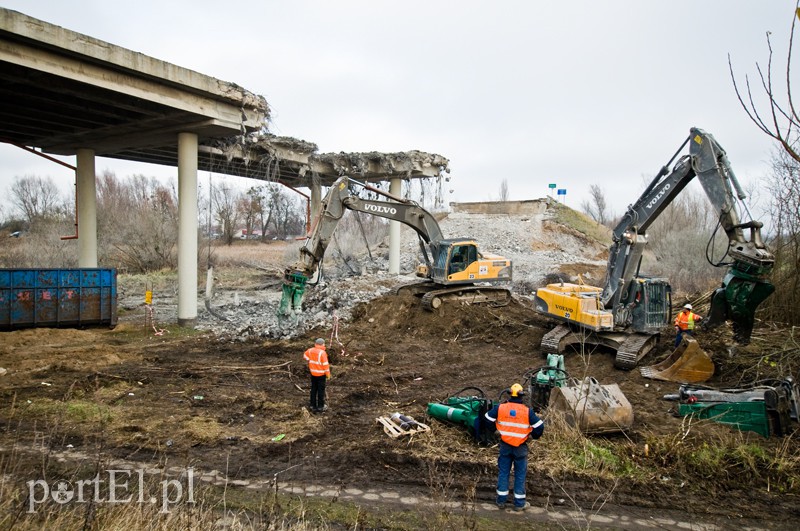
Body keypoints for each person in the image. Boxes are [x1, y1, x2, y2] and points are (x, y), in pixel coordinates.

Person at [484, 383, 544, 512]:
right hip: (520, 447)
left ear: (510, 394)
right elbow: (539, 427)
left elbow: (487, 418)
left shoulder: (501, 408)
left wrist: (495, 430)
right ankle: (519, 503)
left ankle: (501, 501)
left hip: (505, 445)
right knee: (520, 475)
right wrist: (532, 435)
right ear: (521, 395)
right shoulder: (527, 411)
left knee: (504, 472)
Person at [303, 338, 331, 413]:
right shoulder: (322, 353)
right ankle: (320, 406)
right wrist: (328, 374)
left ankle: (312, 405)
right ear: (322, 344)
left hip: (313, 373)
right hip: (321, 375)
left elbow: (305, 356)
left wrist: (310, 360)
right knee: (321, 391)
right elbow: (325, 365)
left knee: (313, 389)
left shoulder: (310, 350)